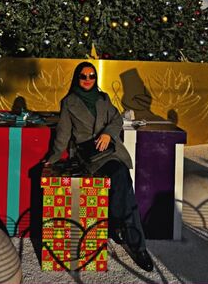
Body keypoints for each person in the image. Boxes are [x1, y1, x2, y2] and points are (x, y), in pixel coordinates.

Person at [46, 61, 154, 272]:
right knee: (122, 179)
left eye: (91, 76)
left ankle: (124, 231)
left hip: (110, 150)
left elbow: (116, 119)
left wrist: (107, 134)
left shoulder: (104, 98)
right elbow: (63, 133)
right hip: (90, 155)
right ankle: (132, 239)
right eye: (83, 76)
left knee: (122, 180)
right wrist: (54, 157)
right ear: (77, 79)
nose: (88, 80)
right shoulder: (69, 102)